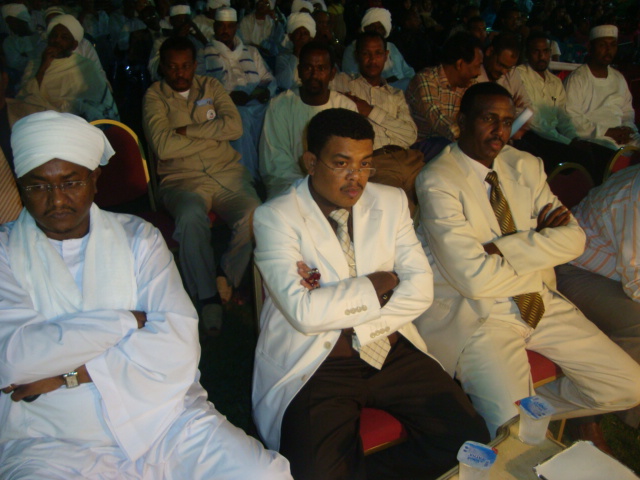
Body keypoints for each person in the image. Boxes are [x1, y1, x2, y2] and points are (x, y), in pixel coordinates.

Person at [0, 110, 292, 479]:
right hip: (52, 437)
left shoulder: (138, 238)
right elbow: (13, 360)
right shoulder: (5, 252)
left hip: (164, 418)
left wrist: (66, 376)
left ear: (94, 179)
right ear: (20, 185)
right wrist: (125, 321)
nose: (56, 200)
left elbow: (177, 346)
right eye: (38, 186)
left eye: (70, 182)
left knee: (261, 473)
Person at [252, 107, 490, 480]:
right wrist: (378, 283)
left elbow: (420, 289)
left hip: (390, 347)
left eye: (365, 164)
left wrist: (355, 319)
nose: (356, 178)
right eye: (341, 164)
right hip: (320, 360)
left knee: (470, 441)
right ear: (311, 162)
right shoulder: (276, 217)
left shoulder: (390, 201)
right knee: (316, 473)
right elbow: (305, 315)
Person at [414, 82, 640, 441]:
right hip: (480, 315)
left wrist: (499, 248)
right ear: (463, 121)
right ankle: (511, 420)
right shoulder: (437, 180)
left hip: (539, 301)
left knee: (626, 387)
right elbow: (473, 280)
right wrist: (542, 243)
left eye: (506, 121)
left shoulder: (525, 165)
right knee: (515, 434)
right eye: (488, 119)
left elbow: (576, 240)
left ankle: (521, 413)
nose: (499, 131)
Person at [143, 36, 260, 333]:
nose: (179, 73)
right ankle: (208, 298)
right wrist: (211, 135)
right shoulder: (154, 96)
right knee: (190, 216)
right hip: (181, 179)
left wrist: (186, 131)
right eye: (172, 67)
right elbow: (164, 147)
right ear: (162, 67)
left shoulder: (211, 86)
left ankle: (225, 275)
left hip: (226, 173)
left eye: (185, 66)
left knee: (255, 214)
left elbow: (235, 127)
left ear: (195, 65)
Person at [556, 165, 640, 430]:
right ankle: (624, 411)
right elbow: (636, 281)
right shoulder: (636, 194)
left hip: (615, 271)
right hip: (576, 269)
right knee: (637, 324)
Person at [332, 31, 422, 215]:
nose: (372, 59)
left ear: (386, 56)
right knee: (402, 210)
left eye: (378, 53)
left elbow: (410, 135)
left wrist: (369, 111)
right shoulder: (344, 83)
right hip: (377, 162)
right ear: (357, 56)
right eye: (366, 53)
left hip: (409, 159)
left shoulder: (395, 95)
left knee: (436, 197)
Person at [259, 41, 357, 198]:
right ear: (299, 71)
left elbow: (350, 158)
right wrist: (308, 187)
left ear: (332, 73)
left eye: (321, 68)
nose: (314, 75)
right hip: (288, 184)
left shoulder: (346, 108)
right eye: (308, 68)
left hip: (335, 182)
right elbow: (275, 161)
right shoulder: (279, 105)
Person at [513, 31, 611, 176]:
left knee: (602, 153)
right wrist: (567, 142)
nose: (542, 56)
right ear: (527, 53)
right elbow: (533, 121)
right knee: (582, 158)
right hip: (532, 136)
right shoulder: (519, 75)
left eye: (546, 51)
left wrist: (574, 138)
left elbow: (563, 117)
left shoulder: (555, 81)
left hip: (555, 136)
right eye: (536, 52)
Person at [204, 6, 276, 180]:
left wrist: (265, 91)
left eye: (230, 26)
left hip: (257, 104)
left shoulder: (251, 51)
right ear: (214, 27)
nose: (225, 31)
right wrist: (228, 97)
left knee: (276, 112)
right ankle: (247, 177)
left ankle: (272, 172)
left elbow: (268, 78)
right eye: (221, 26)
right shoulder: (204, 53)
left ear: (236, 27)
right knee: (239, 118)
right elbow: (201, 87)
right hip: (227, 106)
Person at [17, 14, 118, 121]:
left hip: (76, 123)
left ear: (74, 45)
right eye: (54, 36)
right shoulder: (35, 64)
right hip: (42, 121)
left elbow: (100, 106)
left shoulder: (86, 66)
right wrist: (43, 66)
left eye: (64, 38)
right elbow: (25, 97)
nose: (57, 40)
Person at [564, 25, 640, 150]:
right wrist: (607, 132)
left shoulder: (618, 78)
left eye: (613, 45)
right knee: (610, 150)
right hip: (595, 138)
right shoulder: (577, 79)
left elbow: (627, 112)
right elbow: (571, 119)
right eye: (602, 45)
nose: (608, 50)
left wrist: (627, 129)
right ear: (590, 47)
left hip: (623, 136)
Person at [405, 31, 483, 142]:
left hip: (450, 144)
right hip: (422, 145)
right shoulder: (426, 79)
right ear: (460, 64)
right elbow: (436, 116)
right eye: (477, 66)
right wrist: (468, 137)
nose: (479, 72)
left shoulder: (469, 85)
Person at [341, 7, 415, 91]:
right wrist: (385, 82)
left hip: (402, 89)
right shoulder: (352, 49)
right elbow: (351, 79)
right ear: (365, 28)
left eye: (380, 27)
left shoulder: (391, 47)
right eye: (372, 26)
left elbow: (408, 72)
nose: (376, 30)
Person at [274, 12, 315, 91]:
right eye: (298, 33)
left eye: (305, 33)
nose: (302, 36)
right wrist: (296, 53)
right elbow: (284, 84)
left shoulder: (316, 59)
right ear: (291, 36)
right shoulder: (282, 57)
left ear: (310, 38)